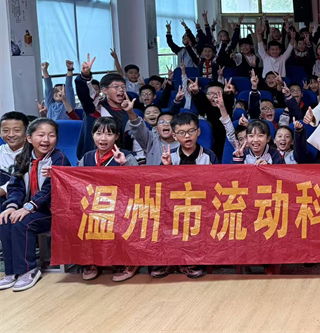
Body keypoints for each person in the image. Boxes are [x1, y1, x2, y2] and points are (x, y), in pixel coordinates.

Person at [0, 119, 70, 292]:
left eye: (51, 135)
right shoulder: (23, 158)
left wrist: (29, 207)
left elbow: (49, 190)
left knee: (23, 223)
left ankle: (28, 270)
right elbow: (15, 186)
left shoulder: (59, 159)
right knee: (6, 220)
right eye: (41, 135)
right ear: (29, 138)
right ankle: (11, 271)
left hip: (53, 210)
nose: (46, 139)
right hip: (29, 208)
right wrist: (12, 206)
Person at [151, 112, 217, 279]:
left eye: (191, 131)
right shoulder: (169, 156)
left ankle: (190, 262)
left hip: (201, 205)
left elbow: (218, 184)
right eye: (181, 133)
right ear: (174, 135)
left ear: (198, 132)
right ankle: (168, 261)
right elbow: (160, 186)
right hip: (174, 205)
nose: (187, 136)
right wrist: (167, 167)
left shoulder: (209, 156)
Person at [76, 117, 139, 282]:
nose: (103, 138)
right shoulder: (87, 157)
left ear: (117, 136)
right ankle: (91, 261)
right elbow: (76, 182)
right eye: (98, 133)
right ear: (92, 135)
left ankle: (129, 262)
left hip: (121, 204)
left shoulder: (126, 156)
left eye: (109, 134)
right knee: (80, 218)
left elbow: (139, 182)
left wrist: (124, 164)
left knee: (122, 218)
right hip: (95, 205)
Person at [0, 112, 29, 199]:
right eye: (5, 131)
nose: (11, 135)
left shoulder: (33, 153)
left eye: (17, 130)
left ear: (26, 132)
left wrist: (3, 190)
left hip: (21, 198)